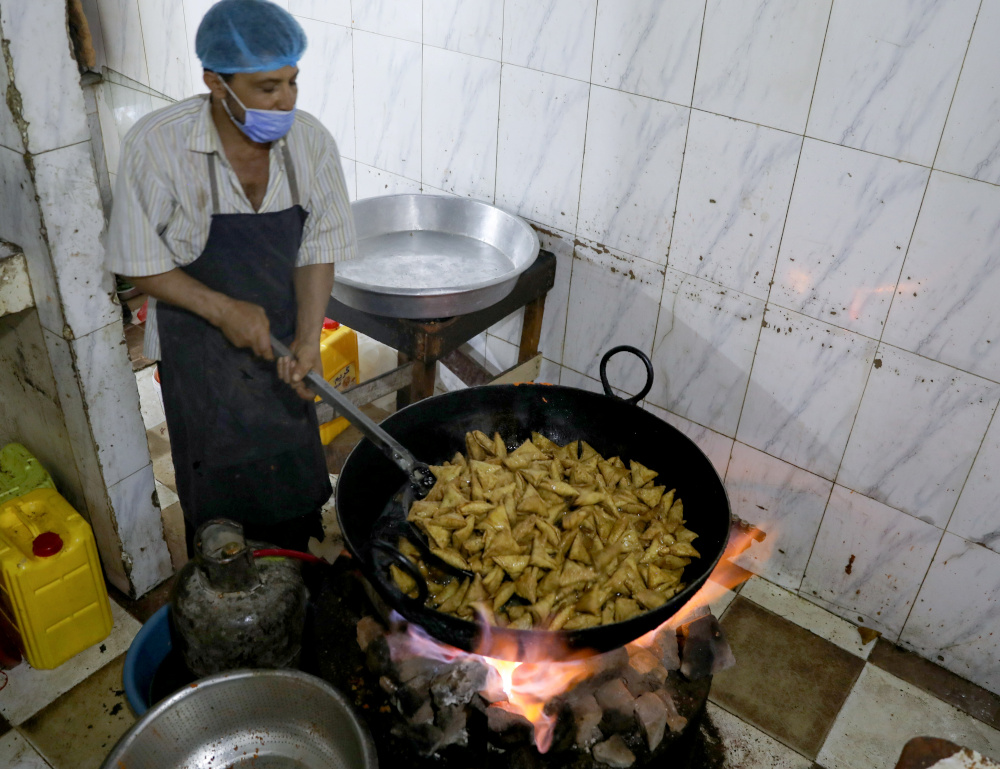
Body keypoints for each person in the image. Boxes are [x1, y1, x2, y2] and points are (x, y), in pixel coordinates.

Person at [106, 0, 356, 554]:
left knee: (291, 480)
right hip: (199, 352)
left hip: (283, 338)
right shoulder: (158, 145)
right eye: (268, 88)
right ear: (215, 82)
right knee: (222, 502)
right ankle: (225, 578)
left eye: (292, 82)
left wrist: (309, 336)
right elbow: (136, 260)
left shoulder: (310, 142)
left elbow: (320, 244)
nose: (286, 100)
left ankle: (297, 559)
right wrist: (223, 309)